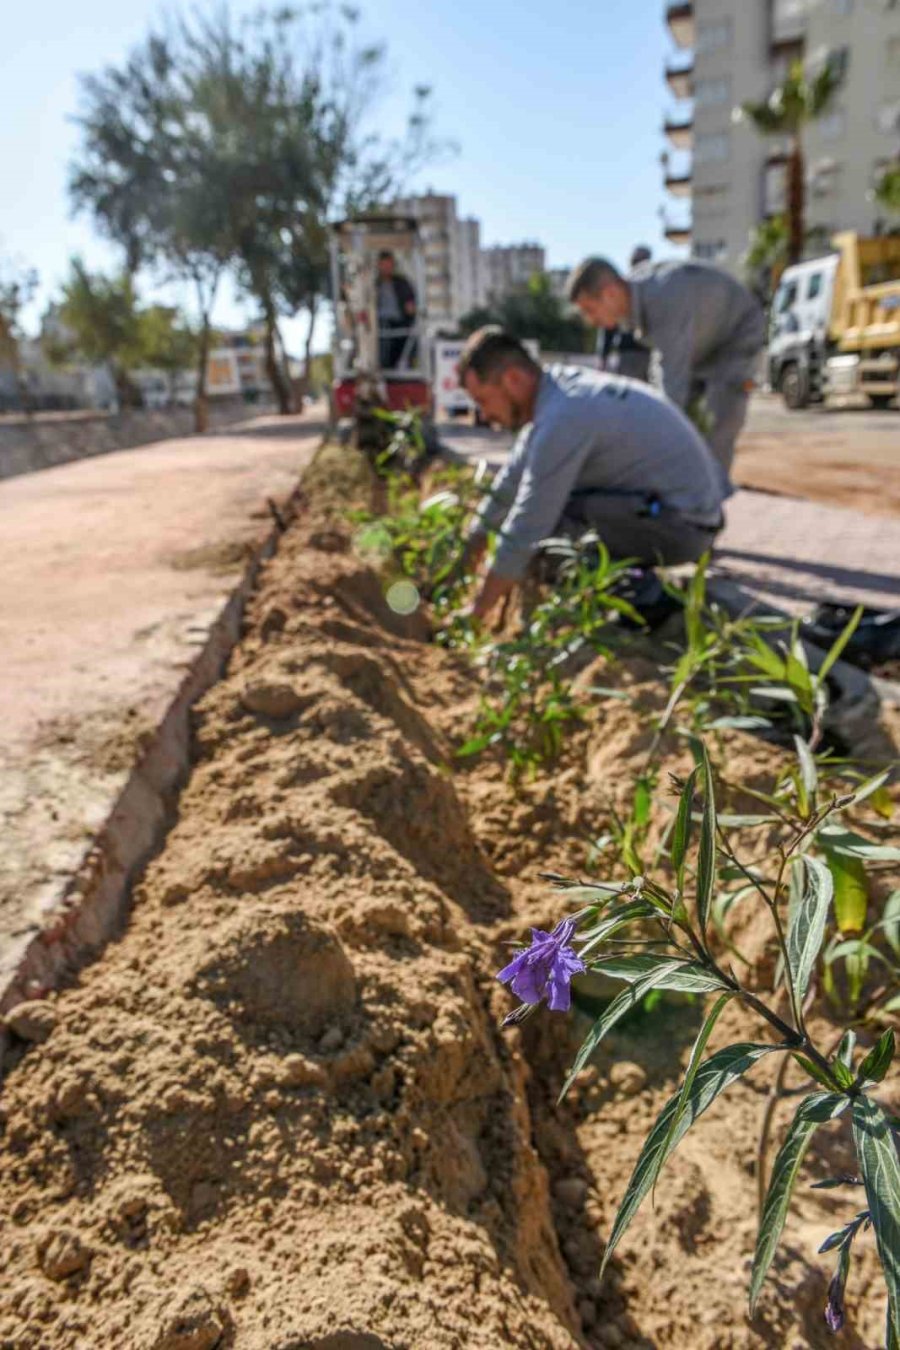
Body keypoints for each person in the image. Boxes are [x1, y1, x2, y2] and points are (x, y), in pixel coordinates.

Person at [457, 327, 726, 623]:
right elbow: (508, 486)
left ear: (513, 380)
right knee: (552, 519)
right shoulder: (555, 396)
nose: (484, 415)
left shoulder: (563, 416)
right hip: (671, 512)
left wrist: (478, 610)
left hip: (683, 527)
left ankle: (649, 598)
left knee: (550, 542)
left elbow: (529, 523)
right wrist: (461, 564)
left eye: (483, 400)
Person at [567, 255, 766, 485]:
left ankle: (711, 501)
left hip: (737, 334)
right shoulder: (634, 297)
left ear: (611, 293)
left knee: (720, 414)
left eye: (590, 310)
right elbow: (662, 370)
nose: (591, 320)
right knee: (679, 419)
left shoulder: (664, 298)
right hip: (701, 341)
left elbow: (672, 385)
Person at [598, 246, 653, 384]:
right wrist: (603, 356)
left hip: (649, 353)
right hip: (629, 353)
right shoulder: (623, 289)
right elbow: (609, 325)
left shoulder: (651, 290)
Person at [376, 250, 417, 370]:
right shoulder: (374, 284)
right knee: (384, 330)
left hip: (400, 322)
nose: (387, 268)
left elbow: (410, 303)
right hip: (379, 324)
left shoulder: (402, 283)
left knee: (410, 335)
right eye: (384, 264)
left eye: (389, 264)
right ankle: (385, 367)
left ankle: (404, 364)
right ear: (379, 265)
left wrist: (411, 308)